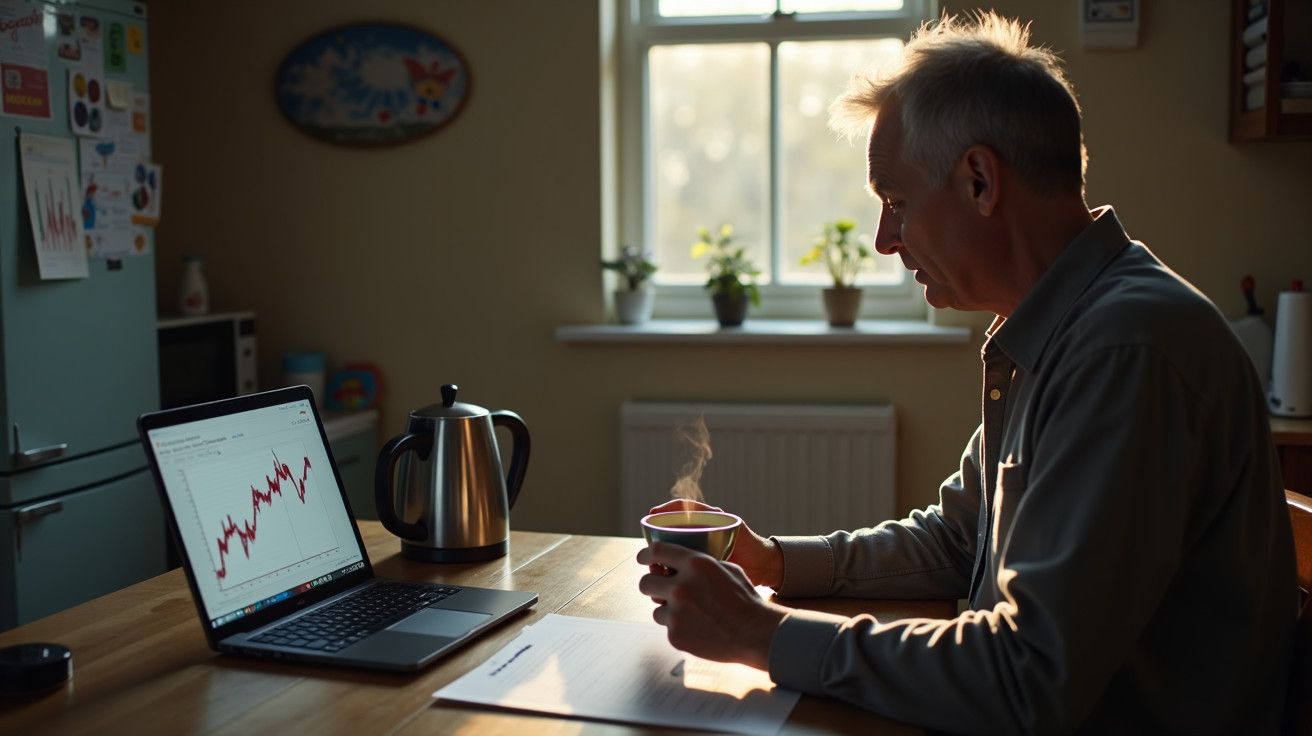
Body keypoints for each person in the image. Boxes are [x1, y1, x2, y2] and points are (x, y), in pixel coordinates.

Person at [637, 11, 1298, 734]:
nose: (885, 241)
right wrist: (772, 565)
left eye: (895, 202)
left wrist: (760, 635)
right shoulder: (1062, 327)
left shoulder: (1124, 353)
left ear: (980, 181)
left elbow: (1027, 678)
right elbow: (960, 541)